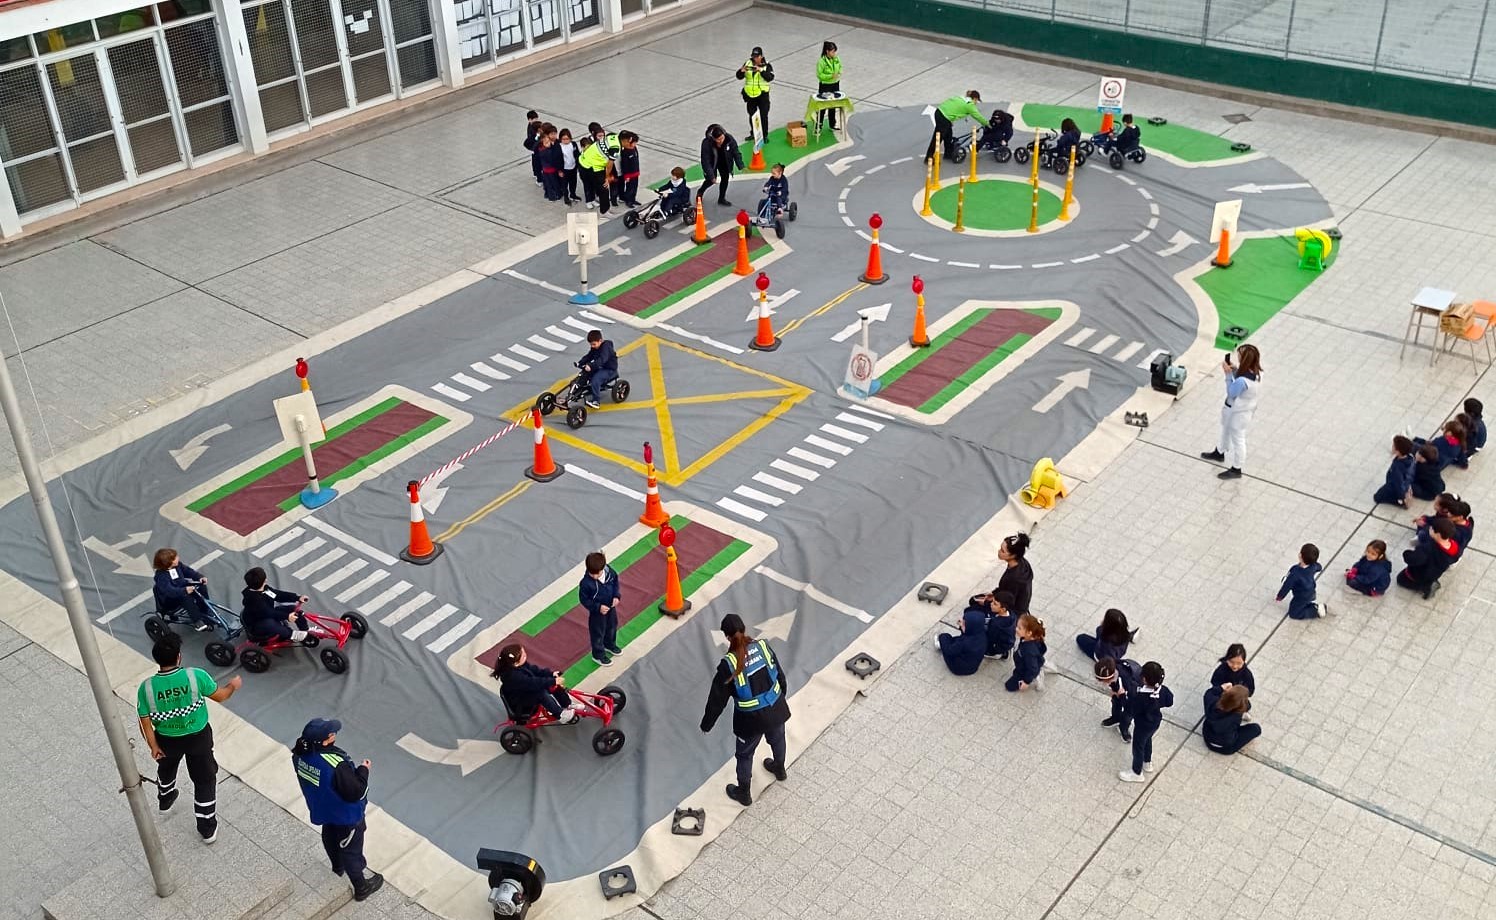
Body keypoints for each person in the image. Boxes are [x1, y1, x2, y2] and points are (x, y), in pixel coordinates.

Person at [136, 633, 241, 843]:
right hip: (198, 738)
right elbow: (220, 696)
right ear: (178, 657)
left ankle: (165, 799)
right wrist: (232, 686)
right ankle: (207, 829)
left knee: (166, 769)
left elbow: (144, 722)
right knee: (204, 780)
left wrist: (153, 745)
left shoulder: (146, 688)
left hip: (166, 739)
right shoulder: (195, 676)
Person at [701, 614, 791, 807]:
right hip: (776, 707)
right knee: (778, 738)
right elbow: (779, 673)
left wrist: (706, 724)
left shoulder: (728, 665)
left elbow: (717, 700)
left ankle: (744, 793)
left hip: (750, 721)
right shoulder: (764, 647)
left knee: (744, 755)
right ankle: (780, 769)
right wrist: (781, 696)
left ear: (726, 637)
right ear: (744, 629)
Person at [292, 718, 384, 901]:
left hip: (323, 809)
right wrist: (363, 771)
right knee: (351, 850)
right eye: (331, 733)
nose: (334, 734)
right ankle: (361, 886)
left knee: (330, 836)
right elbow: (356, 792)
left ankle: (337, 867)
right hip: (346, 816)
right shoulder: (335, 764)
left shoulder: (299, 756)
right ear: (324, 741)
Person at [1201, 344, 1262, 479]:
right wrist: (1235, 371)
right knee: (1225, 430)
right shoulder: (1254, 374)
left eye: (1240, 355)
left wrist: (1228, 374)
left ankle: (1236, 468)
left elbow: (1232, 391)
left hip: (1238, 413)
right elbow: (1242, 380)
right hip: (1240, 410)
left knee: (1238, 439)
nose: (1238, 356)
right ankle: (1220, 451)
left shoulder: (1242, 381)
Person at [491, 643, 579, 723]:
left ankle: (567, 704)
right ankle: (559, 714)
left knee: (551, 684)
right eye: (524, 656)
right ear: (515, 664)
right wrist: (552, 681)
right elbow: (532, 683)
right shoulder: (513, 677)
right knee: (540, 693)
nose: (526, 656)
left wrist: (551, 674)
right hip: (520, 701)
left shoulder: (521, 665)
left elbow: (536, 671)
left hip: (525, 691)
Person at [1118, 661, 1172, 783]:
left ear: (1144, 679)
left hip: (1142, 725)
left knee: (1138, 747)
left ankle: (1137, 772)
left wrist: (1122, 696)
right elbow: (1170, 701)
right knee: (1147, 740)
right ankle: (1147, 762)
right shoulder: (1163, 691)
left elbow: (1130, 708)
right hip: (1155, 722)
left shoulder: (1140, 697)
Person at [241, 567, 310, 643]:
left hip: (266, 614)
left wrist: (297, 598)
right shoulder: (253, 600)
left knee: (294, 609)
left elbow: (278, 595)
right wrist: (287, 616)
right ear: (264, 581)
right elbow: (268, 612)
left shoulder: (265, 589)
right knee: (270, 623)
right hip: (256, 624)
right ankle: (292, 635)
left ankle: (305, 629)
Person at [152, 547, 215, 631]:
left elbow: (188, 571)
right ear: (168, 563)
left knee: (201, 586)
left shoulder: (178, 566)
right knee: (185, 597)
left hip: (181, 587)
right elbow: (170, 591)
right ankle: (197, 621)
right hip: (170, 599)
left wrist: (199, 577)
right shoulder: (161, 577)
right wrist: (185, 590)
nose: (178, 557)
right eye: (175, 558)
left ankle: (204, 609)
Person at [1398, 517, 1459, 599]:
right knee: (1430, 577)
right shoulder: (1454, 546)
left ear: (1438, 534)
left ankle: (1425, 588)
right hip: (1435, 571)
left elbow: (1413, 559)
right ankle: (1431, 583)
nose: (1430, 528)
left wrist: (1406, 553)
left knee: (1401, 579)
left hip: (1420, 574)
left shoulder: (1427, 549)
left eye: (1432, 528)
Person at [579, 551, 622, 666]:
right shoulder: (585, 583)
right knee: (598, 633)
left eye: (597, 574)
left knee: (612, 626)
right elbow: (584, 600)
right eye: (591, 574)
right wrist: (598, 607)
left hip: (610, 608)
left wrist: (616, 596)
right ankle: (598, 655)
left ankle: (609, 644)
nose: (594, 576)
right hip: (597, 613)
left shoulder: (610, 573)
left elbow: (615, 584)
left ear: (603, 567)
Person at [1202, 685, 1261, 755]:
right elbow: (1247, 706)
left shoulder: (1211, 702)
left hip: (1207, 738)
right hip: (1226, 747)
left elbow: (1209, 692)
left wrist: (1221, 687)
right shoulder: (1236, 715)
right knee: (1256, 729)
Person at [926, 90, 983, 162]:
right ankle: (929, 157)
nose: (976, 103)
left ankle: (948, 154)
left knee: (948, 135)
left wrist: (950, 120)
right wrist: (987, 124)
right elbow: (978, 117)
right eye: (976, 101)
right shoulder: (969, 105)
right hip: (944, 117)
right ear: (975, 98)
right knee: (937, 138)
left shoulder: (961, 98)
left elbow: (952, 107)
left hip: (940, 112)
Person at [934, 605, 987, 676]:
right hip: (973, 667)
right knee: (955, 640)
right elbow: (966, 633)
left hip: (958, 668)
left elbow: (950, 651)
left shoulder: (964, 642)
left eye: (964, 623)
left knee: (945, 637)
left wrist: (942, 637)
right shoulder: (982, 634)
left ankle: (939, 644)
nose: (961, 623)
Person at [698, 124, 743, 207]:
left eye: (722, 138)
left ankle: (721, 198)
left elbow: (735, 151)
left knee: (725, 178)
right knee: (709, 181)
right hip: (712, 162)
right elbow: (706, 161)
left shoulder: (729, 139)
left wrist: (740, 165)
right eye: (718, 140)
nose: (721, 141)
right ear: (714, 139)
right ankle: (700, 192)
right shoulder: (706, 143)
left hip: (724, 161)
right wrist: (711, 176)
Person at [735, 47, 775, 141]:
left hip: (762, 95)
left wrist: (760, 71)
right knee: (752, 115)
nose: (755, 59)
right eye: (753, 56)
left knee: (763, 115)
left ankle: (764, 135)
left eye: (757, 57)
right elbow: (738, 76)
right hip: (750, 95)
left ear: (761, 56)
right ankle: (753, 133)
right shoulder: (748, 63)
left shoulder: (767, 65)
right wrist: (741, 71)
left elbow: (770, 77)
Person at [1277, 543, 1325, 620]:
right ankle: (1312, 606)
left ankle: (1315, 610)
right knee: (1304, 603)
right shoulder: (1313, 566)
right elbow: (1319, 567)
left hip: (1301, 596)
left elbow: (1287, 585)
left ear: (1300, 556)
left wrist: (1280, 596)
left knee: (1294, 613)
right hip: (1311, 591)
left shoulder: (1295, 572)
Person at [1095, 656, 1136, 741]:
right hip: (1120, 689)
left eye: (1105, 681)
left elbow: (1130, 706)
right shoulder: (1112, 666)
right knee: (1115, 702)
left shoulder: (1127, 682)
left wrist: (1122, 695)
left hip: (1132, 697)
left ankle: (1123, 728)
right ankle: (1115, 717)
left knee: (1127, 715)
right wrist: (1114, 691)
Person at [575, 329, 617, 410]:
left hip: (609, 369)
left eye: (594, 344)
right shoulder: (595, 347)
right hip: (599, 367)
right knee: (584, 373)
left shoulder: (606, 347)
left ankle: (596, 401)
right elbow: (589, 356)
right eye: (591, 344)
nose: (592, 346)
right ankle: (578, 387)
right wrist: (580, 363)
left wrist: (591, 366)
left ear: (600, 341)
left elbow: (602, 359)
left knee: (596, 380)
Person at [577, 128, 616, 214]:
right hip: (588, 171)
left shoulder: (601, 145)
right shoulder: (587, 152)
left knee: (595, 187)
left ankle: (594, 199)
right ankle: (589, 200)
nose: (601, 137)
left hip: (596, 170)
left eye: (602, 135)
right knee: (588, 187)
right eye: (599, 135)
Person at [1005, 614, 1046, 692]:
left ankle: (1037, 675)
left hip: (1026, 668)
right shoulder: (1027, 639)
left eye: (1019, 628)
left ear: (1029, 633)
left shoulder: (1029, 651)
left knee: (1009, 686)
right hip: (1023, 663)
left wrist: (1026, 681)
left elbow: (1032, 668)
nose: (1016, 629)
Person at [1374, 435, 1416, 507]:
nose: (1392, 447)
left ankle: (1401, 502)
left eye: (1393, 446)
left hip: (1393, 486)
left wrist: (1401, 496)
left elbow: (1398, 484)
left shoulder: (1397, 468)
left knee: (1377, 497)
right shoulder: (1410, 458)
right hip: (1406, 483)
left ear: (1398, 452)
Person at [979, 589, 1016, 660]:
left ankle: (995, 654)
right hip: (1006, 641)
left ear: (1003, 609)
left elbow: (990, 638)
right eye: (992, 601)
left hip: (996, 646)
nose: (991, 604)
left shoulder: (996, 624)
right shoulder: (1012, 614)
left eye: (995, 604)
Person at [815, 41, 841, 131]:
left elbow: (840, 66)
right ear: (827, 51)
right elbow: (819, 75)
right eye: (833, 51)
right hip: (825, 85)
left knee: (833, 105)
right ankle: (818, 125)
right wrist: (830, 76)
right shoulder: (821, 61)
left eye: (834, 51)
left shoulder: (836, 58)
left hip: (835, 84)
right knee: (823, 106)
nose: (834, 53)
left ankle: (832, 124)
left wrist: (839, 73)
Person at [612, 131, 641, 209]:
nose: (635, 145)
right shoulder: (625, 152)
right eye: (633, 143)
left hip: (636, 173)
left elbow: (636, 159)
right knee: (630, 188)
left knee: (635, 187)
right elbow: (624, 165)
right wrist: (626, 176)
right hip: (629, 175)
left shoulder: (634, 149)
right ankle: (629, 201)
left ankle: (633, 199)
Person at [537, 130, 564, 202]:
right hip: (549, 170)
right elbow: (551, 158)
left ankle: (553, 195)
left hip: (548, 169)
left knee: (551, 183)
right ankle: (554, 196)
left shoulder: (543, 149)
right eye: (546, 142)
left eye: (548, 141)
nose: (548, 143)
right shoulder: (544, 151)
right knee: (552, 184)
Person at [558, 128, 581, 205]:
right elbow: (556, 159)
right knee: (564, 184)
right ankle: (566, 197)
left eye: (567, 139)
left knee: (573, 182)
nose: (565, 141)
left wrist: (578, 166)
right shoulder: (558, 147)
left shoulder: (573, 144)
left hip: (573, 167)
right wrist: (559, 170)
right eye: (563, 139)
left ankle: (573, 194)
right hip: (564, 169)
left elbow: (577, 154)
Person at [523, 109, 542, 186]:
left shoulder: (534, 126)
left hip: (536, 148)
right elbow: (533, 139)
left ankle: (536, 173)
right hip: (534, 148)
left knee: (535, 162)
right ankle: (538, 178)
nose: (536, 121)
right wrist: (537, 136)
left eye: (537, 119)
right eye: (534, 119)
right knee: (536, 163)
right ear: (529, 120)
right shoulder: (531, 129)